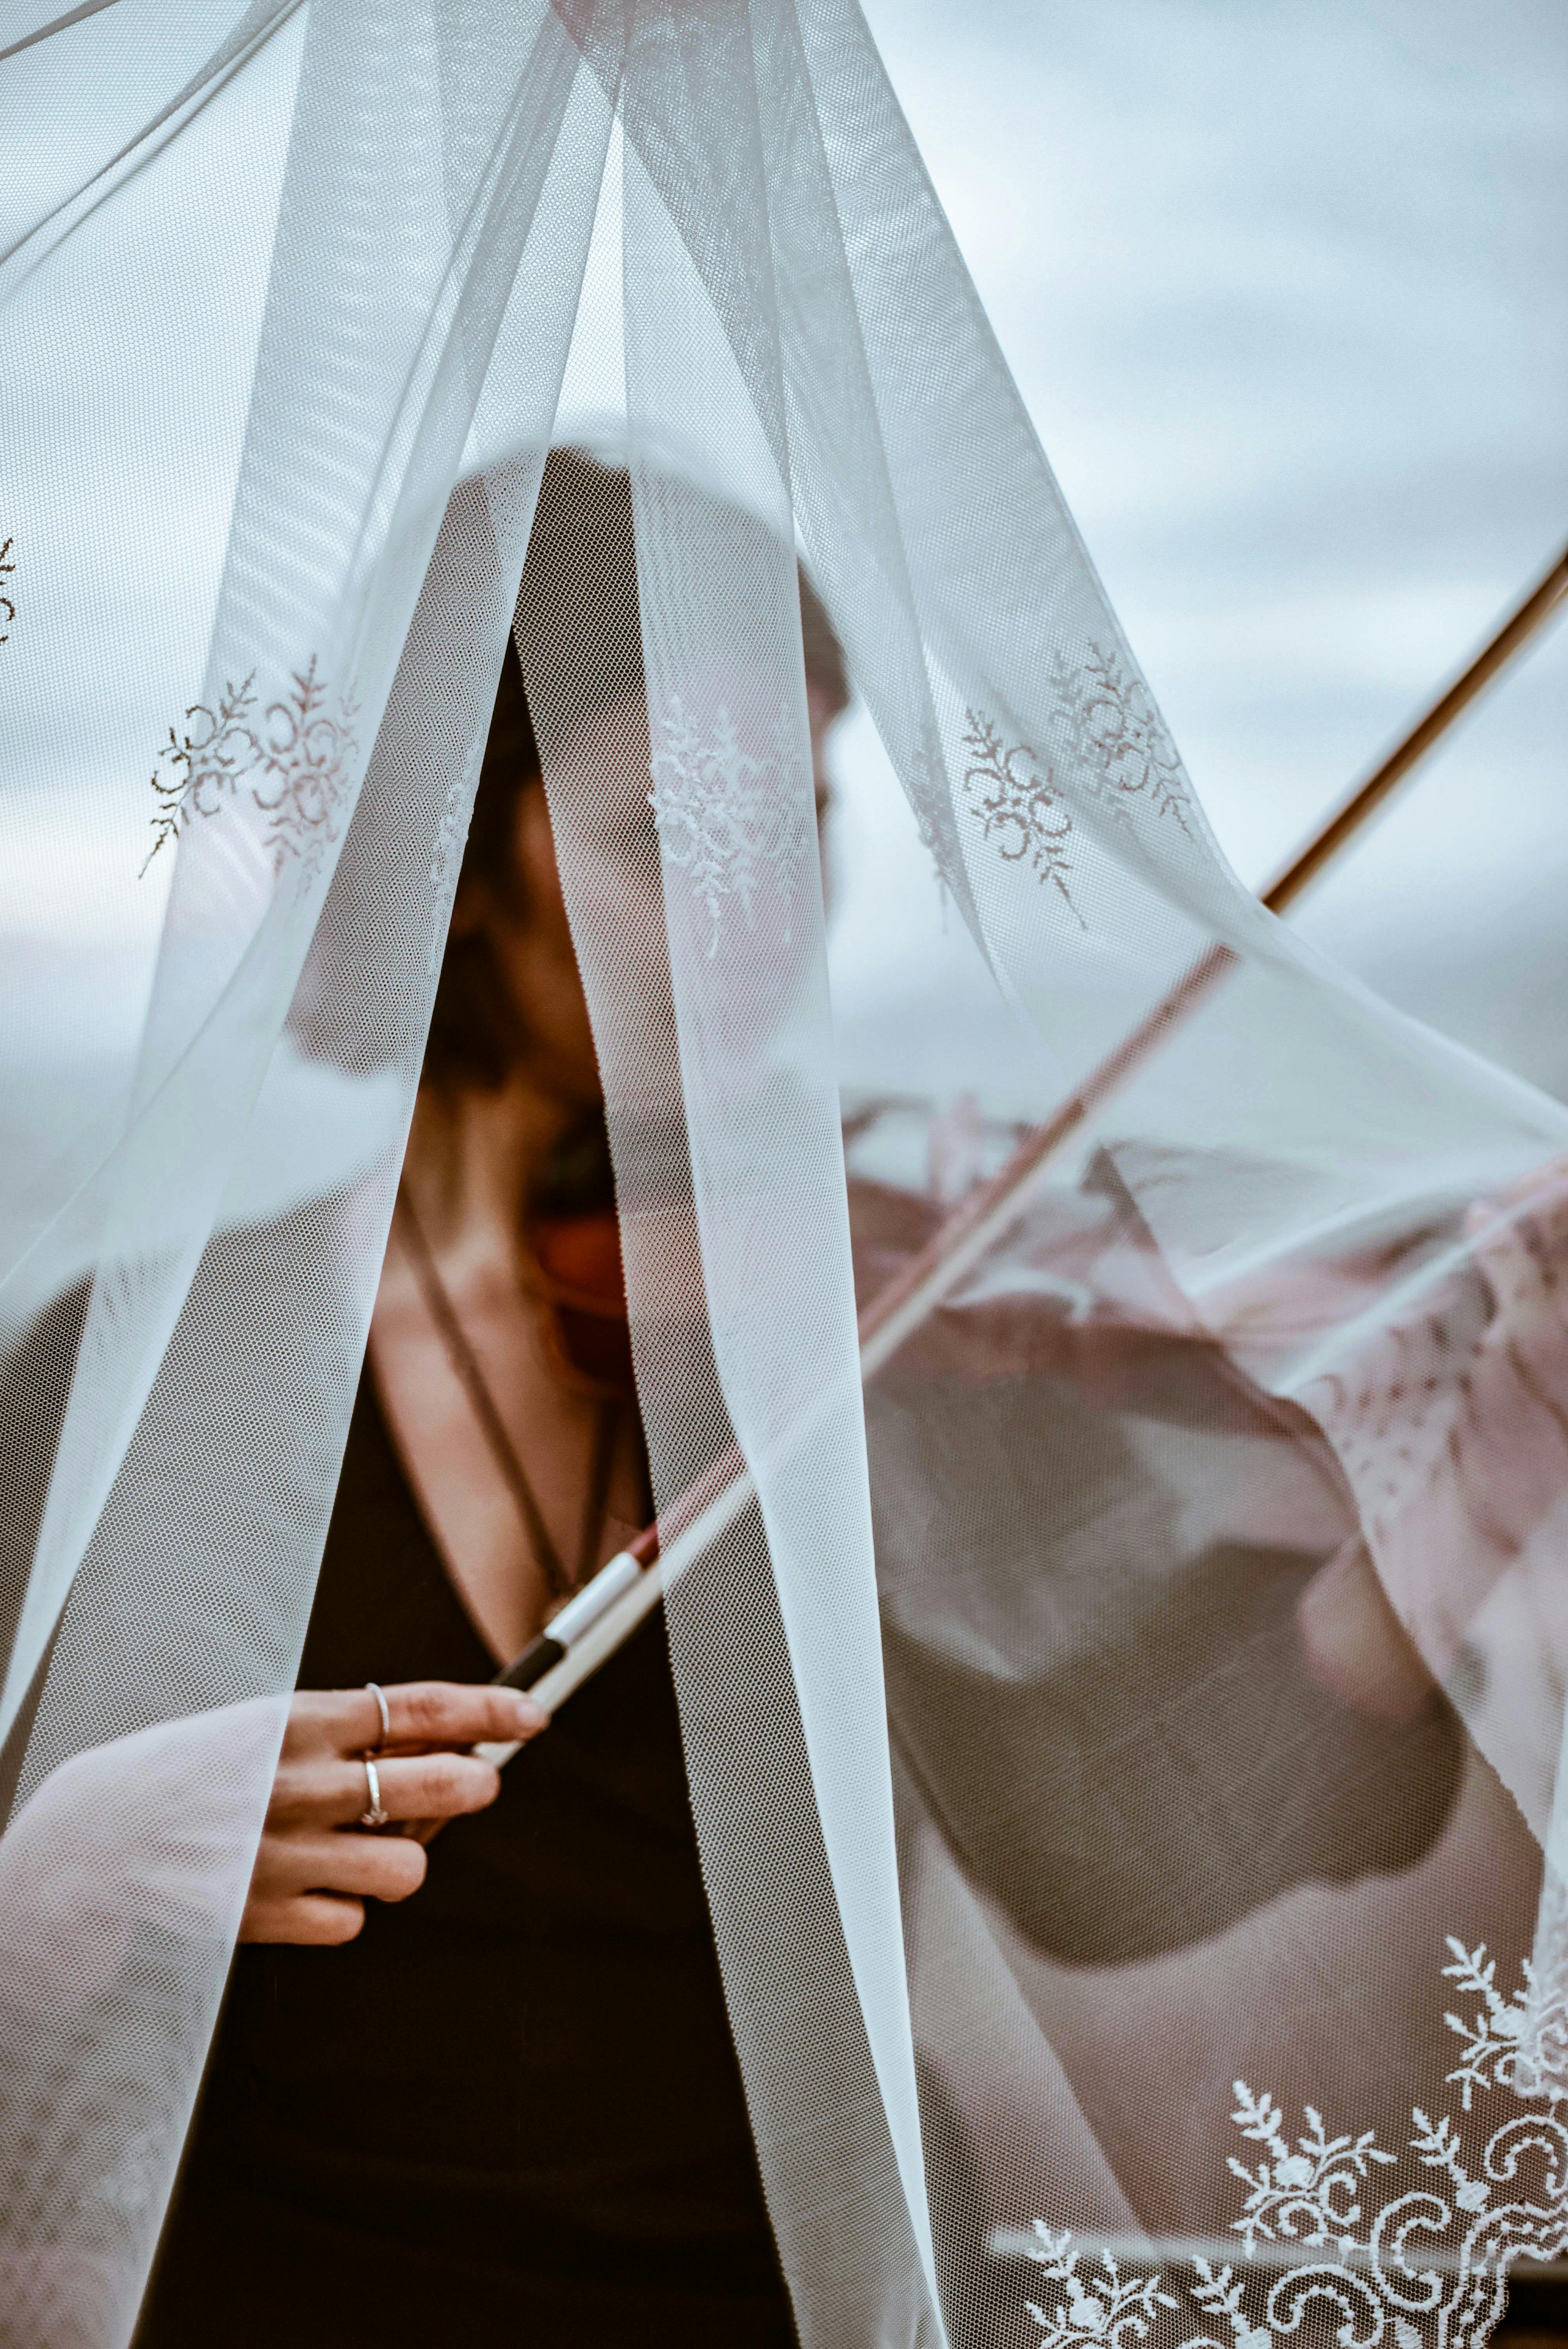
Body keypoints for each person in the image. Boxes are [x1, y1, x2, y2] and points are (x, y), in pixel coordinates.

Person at [132, 448, 848, 2349]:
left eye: (809, 816)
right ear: (462, 844)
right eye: (681, 830)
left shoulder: (856, 1310)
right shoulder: (139, 1374)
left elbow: (1103, 1858)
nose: (769, 920)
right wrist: (105, 1841)